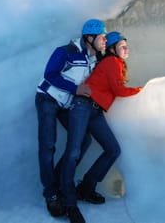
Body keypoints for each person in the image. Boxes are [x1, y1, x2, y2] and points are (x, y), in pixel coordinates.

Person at [59, 31, 142, 223]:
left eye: (126, 44)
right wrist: (142, 90)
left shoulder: (116, 63)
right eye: (122, 45)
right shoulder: (112, 62)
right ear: (112, 49)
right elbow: (119, 89)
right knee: (73, 152)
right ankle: (68, 201)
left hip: (94, 110)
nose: (126, 48)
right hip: (83, 106)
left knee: (113, 149)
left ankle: (86, 188)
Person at [35, 19, 108, 218]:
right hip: (48, 100)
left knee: (84, 139)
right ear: (89, 37)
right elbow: (50, 74)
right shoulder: (65, 51)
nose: (104, 41)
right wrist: (76, 89)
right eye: (102, 37)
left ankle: (59, 181)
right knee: (48, 146)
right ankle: (51, 195)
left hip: (66, 104)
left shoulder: (93, 59)